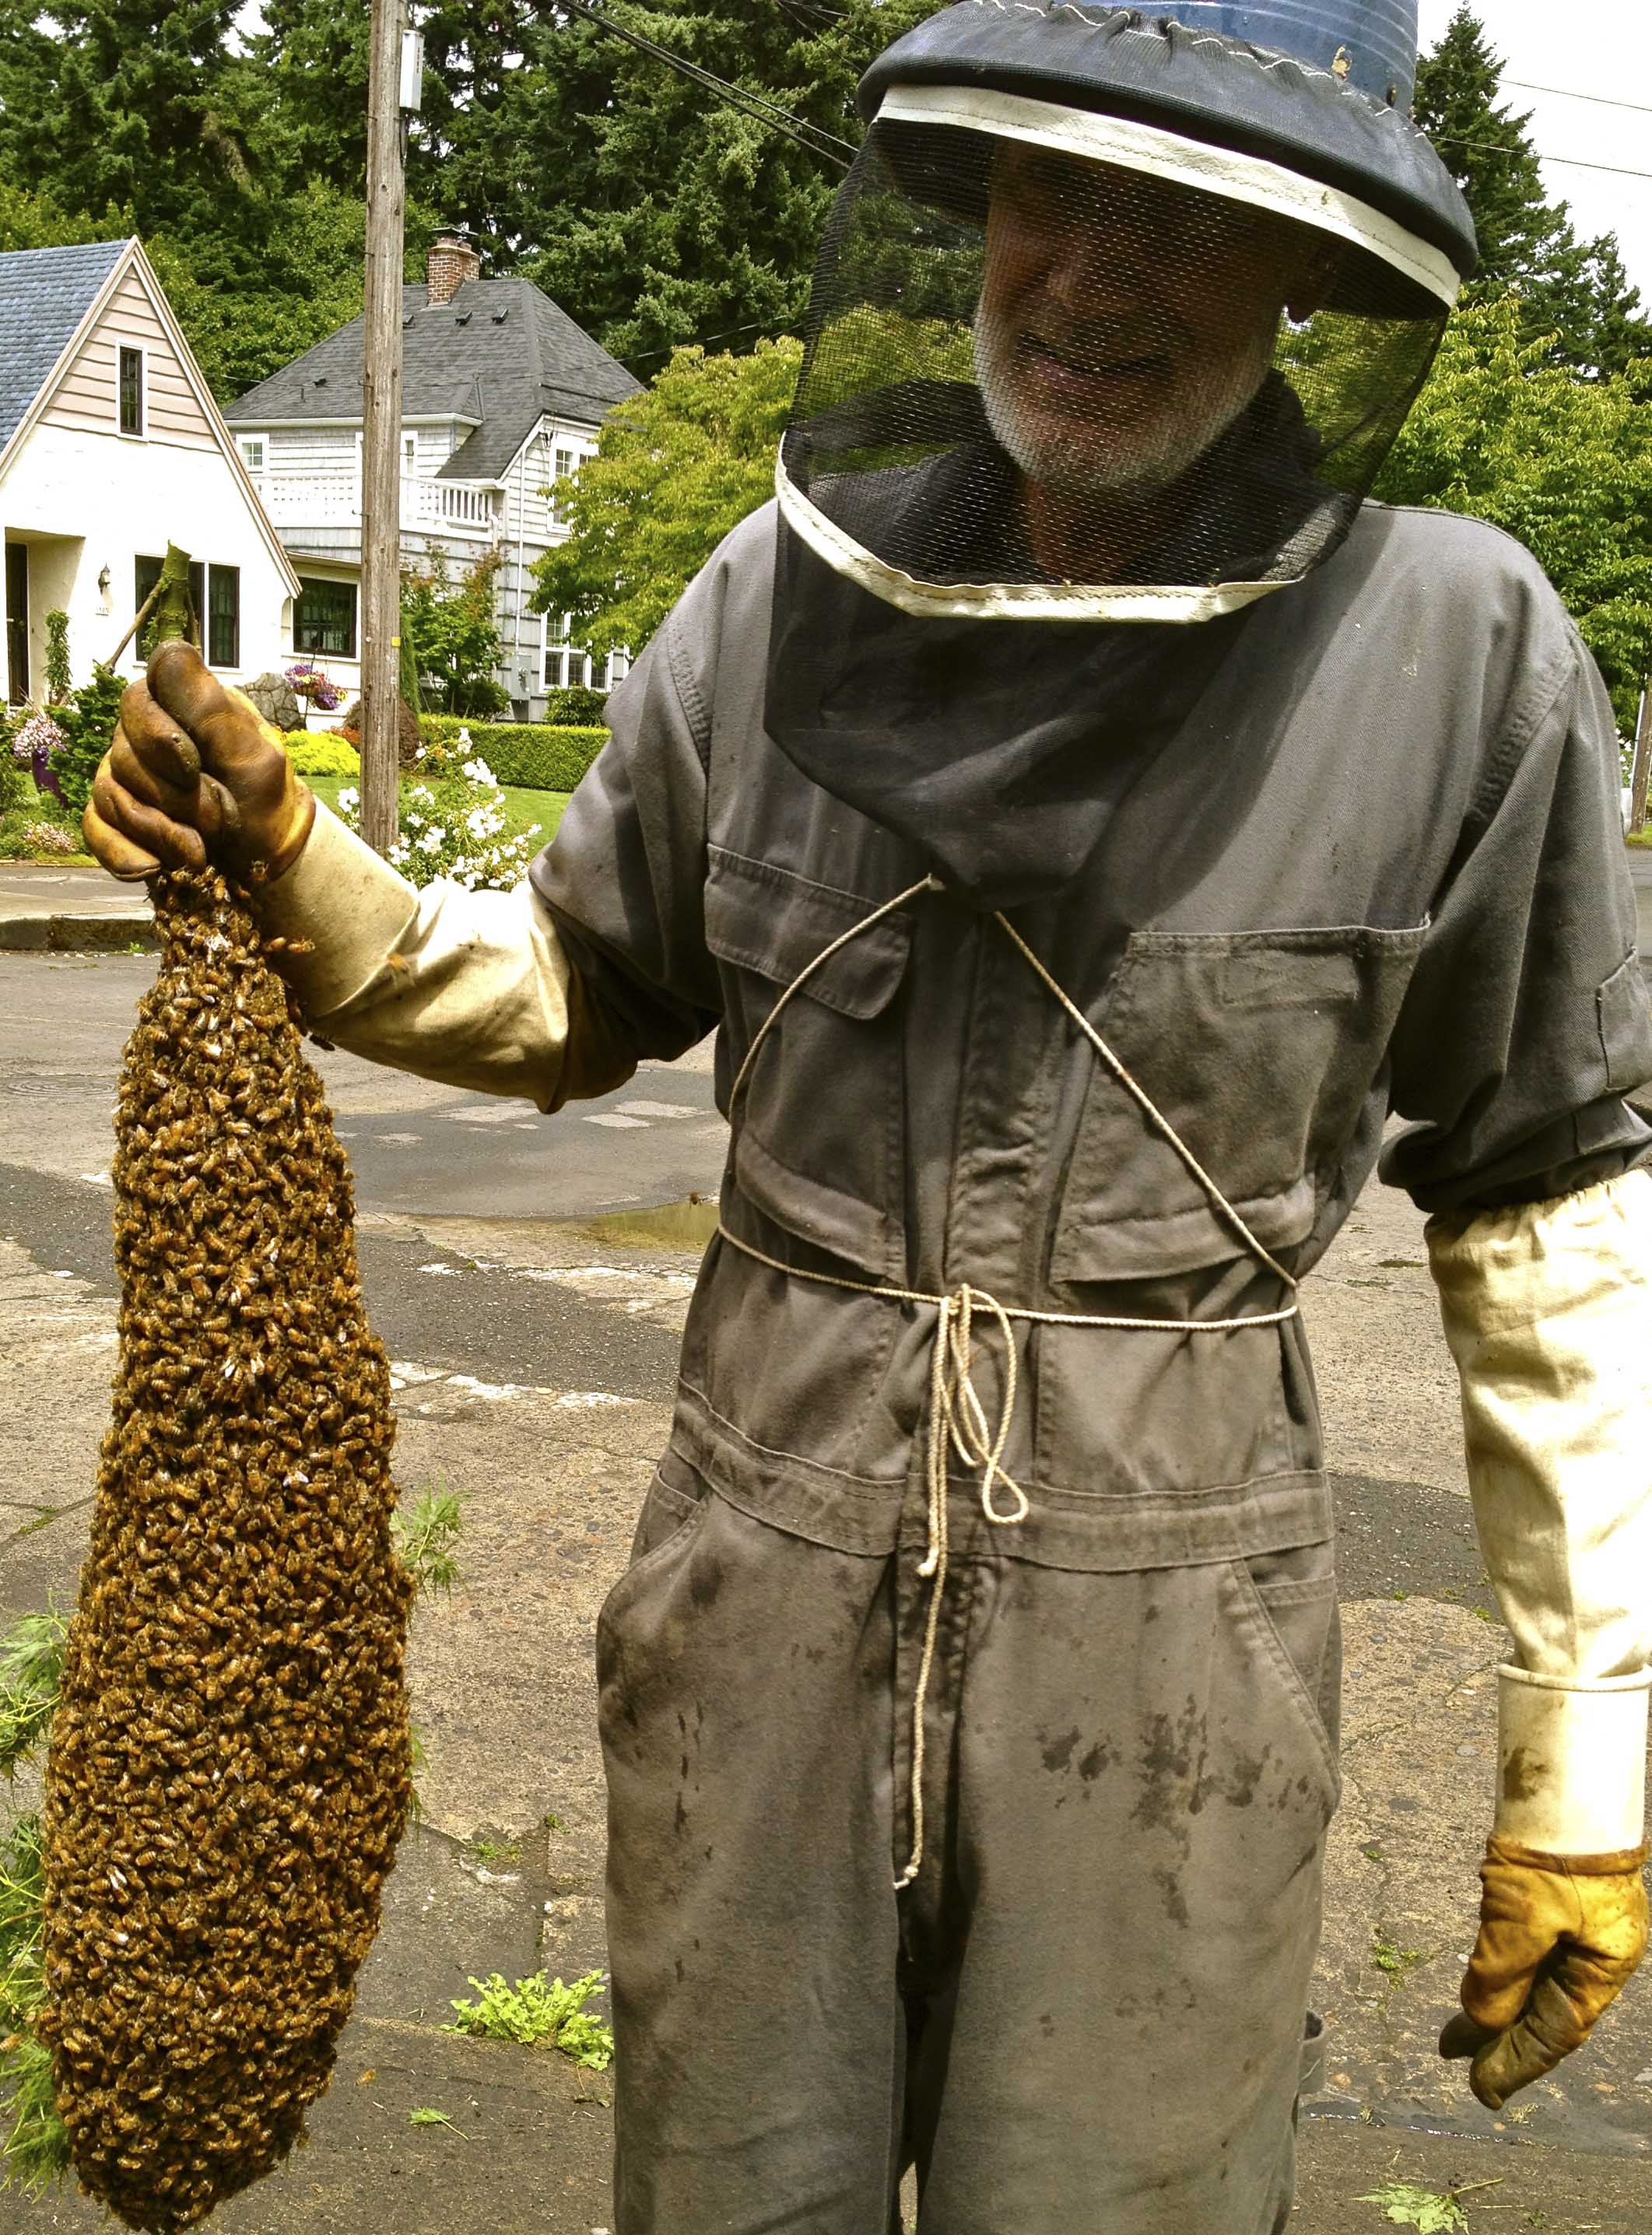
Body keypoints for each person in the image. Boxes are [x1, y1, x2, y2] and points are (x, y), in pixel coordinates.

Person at [83, 4, 1652, 2230]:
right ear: (968, 210)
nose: (1094, 277)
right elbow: (575, 984)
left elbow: (1545, 1198)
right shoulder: (772, 590)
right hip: (761, 1578)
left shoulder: (1454, 646)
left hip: (1175, 1616)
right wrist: (291, 865)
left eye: (1188, 220)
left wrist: (1582, 1750)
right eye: (1055, 191)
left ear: (1307, 274)